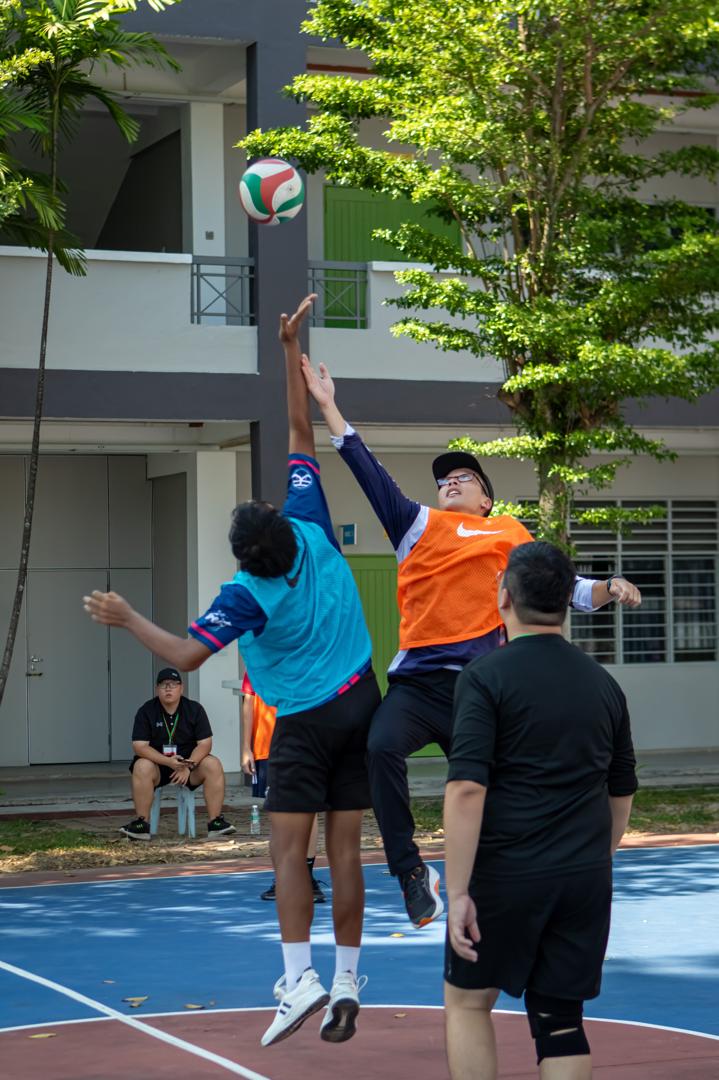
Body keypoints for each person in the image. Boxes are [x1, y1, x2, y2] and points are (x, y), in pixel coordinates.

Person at [83, 295, 380, 1049]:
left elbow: (185, 655)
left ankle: (299, 978)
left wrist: (128, 617)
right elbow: (300, 430)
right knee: (346, 849)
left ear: (246, 555)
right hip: (363, 701)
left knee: (288, 851)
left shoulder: (246, 593)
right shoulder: (309, 524)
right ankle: (348, 979)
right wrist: (288, 351)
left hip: (305, 721)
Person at [301, 356, 642, 929]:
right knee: (379, 748)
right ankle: (411, 873)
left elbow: (561, 586)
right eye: (444, 480)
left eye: (465, 477)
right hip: (416, 686)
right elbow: (365, 468)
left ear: (487, 499)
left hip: (481, 687)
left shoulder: (508, 533)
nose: (451, 481)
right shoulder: (416, 525)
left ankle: (514, 871)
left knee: (496, 781)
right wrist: (329, 405)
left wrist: (609, 587)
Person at [443, 541, 638, 1080]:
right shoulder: (604, 684)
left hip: (506, 874)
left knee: (467, 1002)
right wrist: (597, 856)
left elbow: (466, 789)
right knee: (561, 1022)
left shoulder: (484, 677)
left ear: (504, 597)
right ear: (566, 601)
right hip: (583, 876)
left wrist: (458, 892)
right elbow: (621, 790)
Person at [241, 672, 327, 904]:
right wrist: (246, 747)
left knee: (309, 809)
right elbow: (248, 701)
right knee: (279, 813)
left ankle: (306, 876)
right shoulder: (258, 659)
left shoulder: (306, 658)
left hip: (304, 743)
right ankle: (285, 877)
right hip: (269, 746)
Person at [120, 667, 235, 840]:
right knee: (141, 766)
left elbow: (205, 744)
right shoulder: (146, 710)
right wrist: (168, 762)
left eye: (173, 684)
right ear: (157, 689)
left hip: (188, 767)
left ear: (181, 688)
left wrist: (188, 766)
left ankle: (215, 822)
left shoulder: (194, 709)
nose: (168, 688)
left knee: (213, 764)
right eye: (163, 684)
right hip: (158, 767)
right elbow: (139, 746)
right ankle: (142, 824)